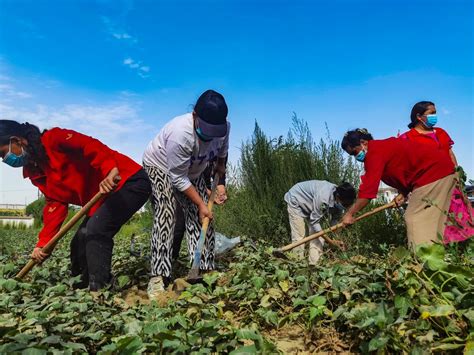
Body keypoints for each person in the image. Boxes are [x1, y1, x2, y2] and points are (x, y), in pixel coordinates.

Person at [0, 120, 151, 291]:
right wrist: (43, 244)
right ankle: (80, 288)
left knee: (96, 230)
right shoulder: (34, 171)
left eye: (2, 153)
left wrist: (110, 169)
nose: (5, 160)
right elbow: (55, 203)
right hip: (102, 197)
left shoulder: (54, 139)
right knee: (79, 241)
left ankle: (100, 290)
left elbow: (88, 145)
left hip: (128, 181)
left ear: (17, 140)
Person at [143, 89, 229, 297]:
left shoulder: (224, 128)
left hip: (194, 168)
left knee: (203, 218)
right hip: (161, 166)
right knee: (167, 213)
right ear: (194, 116)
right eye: (205, 129)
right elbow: (178, 178)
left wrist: (220, 184)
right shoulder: (180, 133)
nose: (209, 136)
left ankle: (204, 268)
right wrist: (200, 203)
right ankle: (158, 276)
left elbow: (221, 158)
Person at [341, 128, 456, 248]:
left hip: (433, 173)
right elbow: (406, 169)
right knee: (434, 221)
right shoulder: (382, 148)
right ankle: (439, 255)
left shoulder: (374, 153)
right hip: (443, 171)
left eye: (355, 152)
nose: (356, 157)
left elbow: (368, 192)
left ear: (363, 142)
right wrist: (403, 193)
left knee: (414, 218)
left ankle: (423, 259)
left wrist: (350, 214)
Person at [399, 101, 473, 243]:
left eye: (435, 112)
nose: (435, 116)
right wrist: (402, 190)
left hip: (450, 181)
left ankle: (458, 247)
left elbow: (450, 153)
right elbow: (404, 165)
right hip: (428, 185)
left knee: (455, 213)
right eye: (431, 113)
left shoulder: (440, 132)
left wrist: (457, 173)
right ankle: (429, 246)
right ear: (419, 117)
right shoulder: (407, 138)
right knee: (431, 215)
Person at [284, 180, 356, 264]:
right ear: (337, 196)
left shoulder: (340, 201)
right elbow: (315, 222)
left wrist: (336, 240)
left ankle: (315, 264)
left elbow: (335, 221)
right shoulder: (323, 197)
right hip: (296, 200)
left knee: (319, 237)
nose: (346, 207)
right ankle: (297, 263)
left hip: (311, 206)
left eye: (348, 205)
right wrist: (330, 242)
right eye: (345, 204)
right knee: (299, 235)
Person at [172, 157, 228, 262]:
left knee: (204, 221)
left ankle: (203, 263)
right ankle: (172, 259)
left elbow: (220, 169)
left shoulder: (221, 145)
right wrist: (206, 194)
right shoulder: (194, 146)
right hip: (182, 183)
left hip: (201, 184)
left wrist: (221, 187)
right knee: (178, 225)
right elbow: (183, 178)